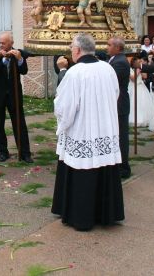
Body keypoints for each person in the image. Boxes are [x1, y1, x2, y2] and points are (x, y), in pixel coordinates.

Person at [51, 34, 124, 231]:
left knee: (83, 171)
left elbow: (64, 106)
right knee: (103, 167)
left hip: (83, 129)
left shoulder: (75, 73)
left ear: (77, 51)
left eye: (71, 48)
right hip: (104, 128)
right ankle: (105, 214)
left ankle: (82, 217)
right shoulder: (107, 68)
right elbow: (115, 94)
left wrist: (62, 123)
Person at [0, 32, 33, 164]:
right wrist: (2, 59)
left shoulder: (17, 53)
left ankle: (25, 153)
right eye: (0, 43)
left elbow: (24, 71)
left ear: (11, 43)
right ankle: (2, 152)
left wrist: (19, 60)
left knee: (20, 124)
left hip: (14, 94)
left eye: (4, 43)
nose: (1, 45)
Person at [106, 37, 131, 179]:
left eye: (109, 45)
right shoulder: (115, 59)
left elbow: (111, 81)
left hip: (120, 103)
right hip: (116, 103)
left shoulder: (120, 62)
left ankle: (123, 167)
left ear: (117, 47)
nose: (106, 47)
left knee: (121, 136)